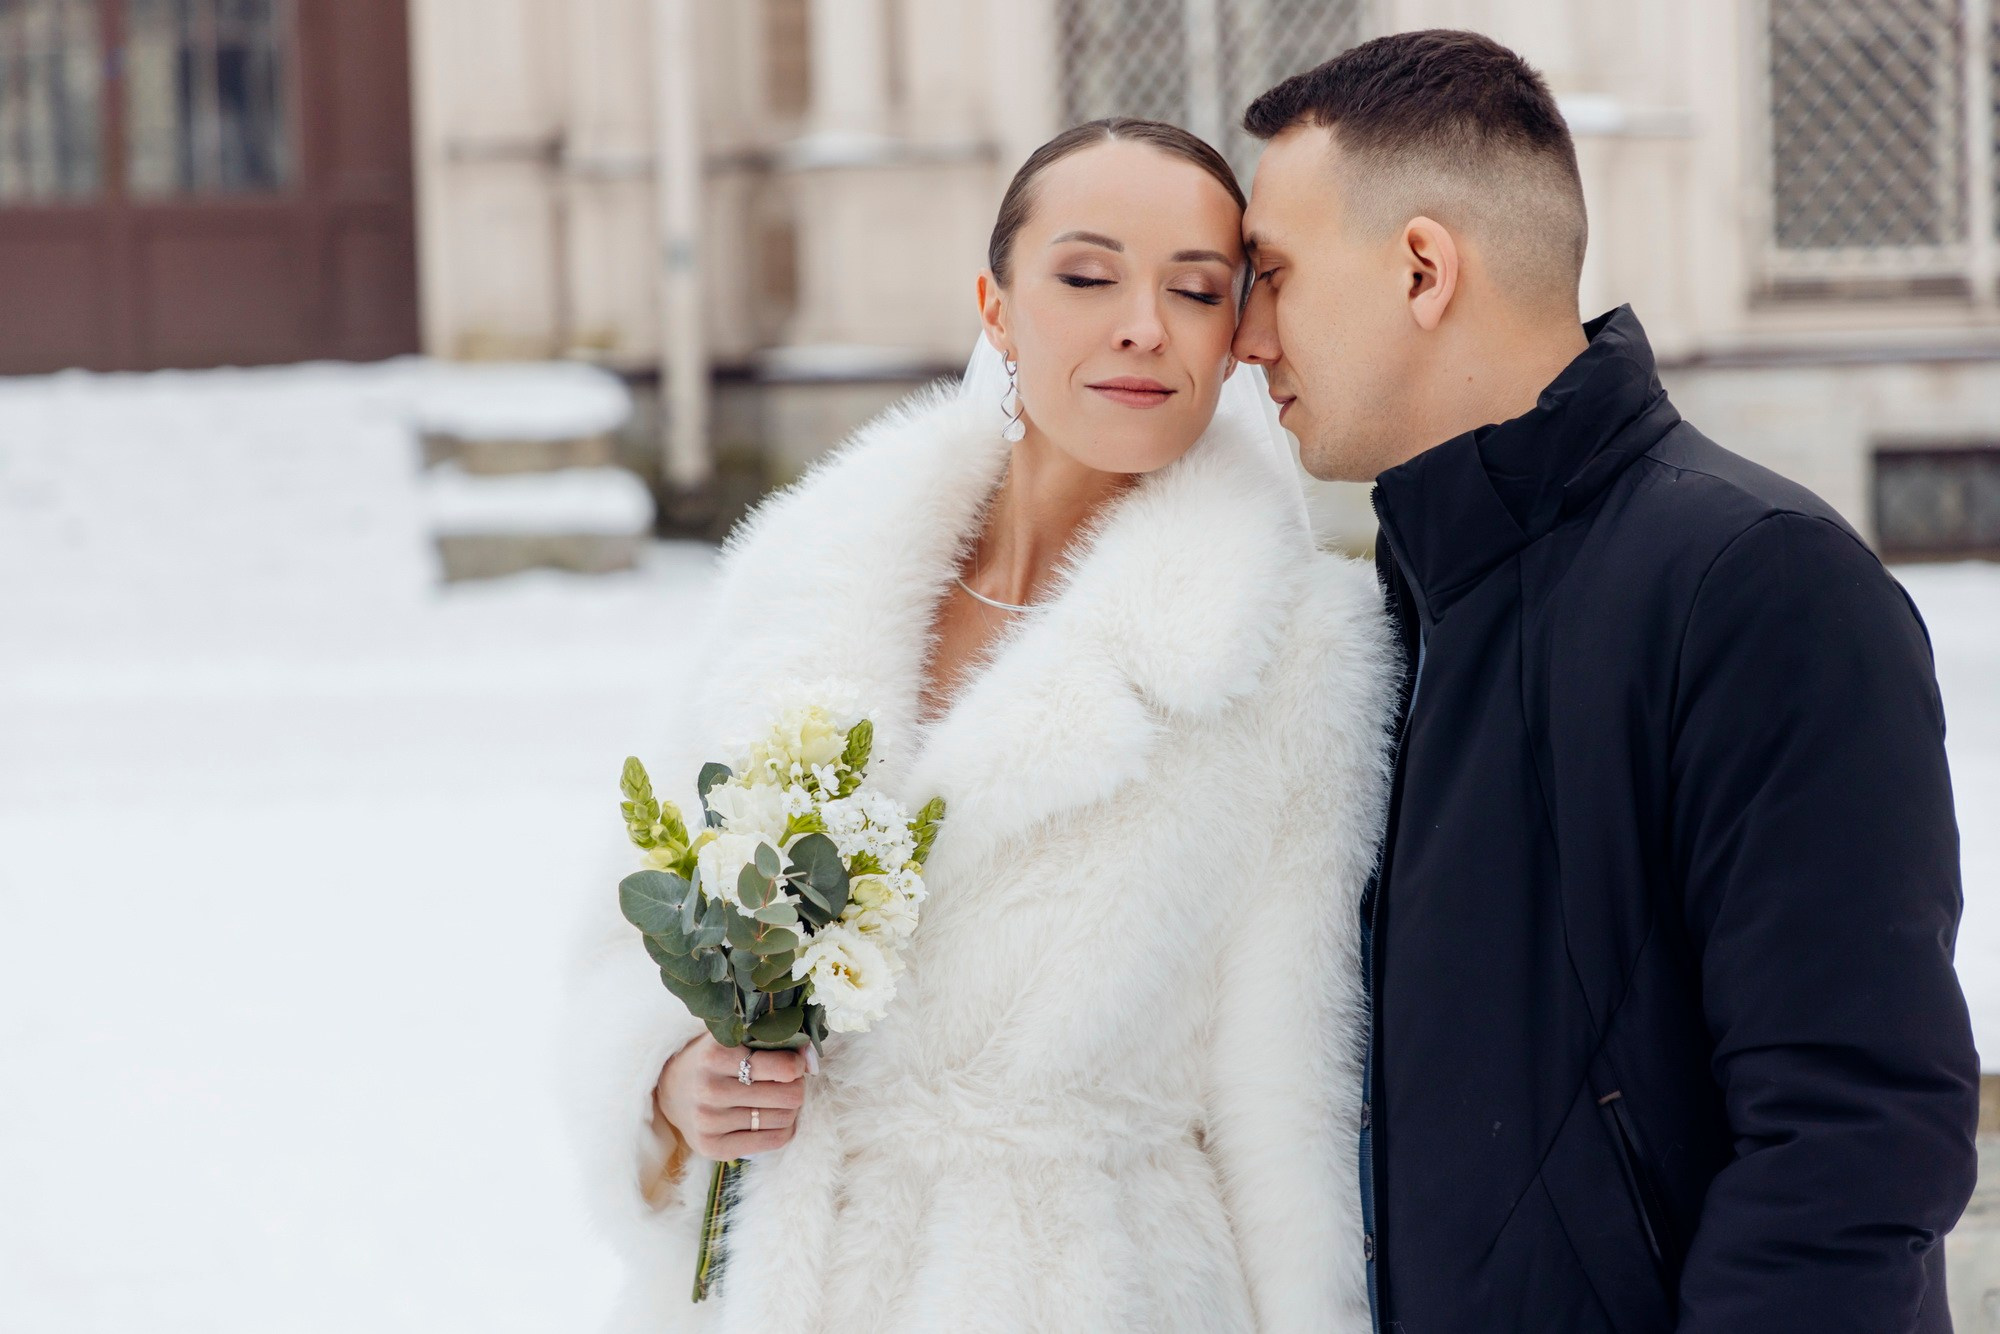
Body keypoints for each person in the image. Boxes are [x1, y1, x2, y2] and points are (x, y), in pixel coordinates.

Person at [560, 117, 1393, 1333]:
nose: (1142, 326)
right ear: (995, 306)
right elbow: (618, 938)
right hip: (784, 1271)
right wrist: (668, 1085)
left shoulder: (1297, 644)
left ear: (1235, 333)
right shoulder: (805, 571)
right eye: (1086, 275)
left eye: (1196, 289)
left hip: (1091, 1281)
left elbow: (1289, 1100)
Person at [1231, 28, 1981, 1333]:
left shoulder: (1760, 581)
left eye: (1274, 275)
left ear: (1422, 268)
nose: (1245, 335)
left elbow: (1852, 1136)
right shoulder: (1400, 623)